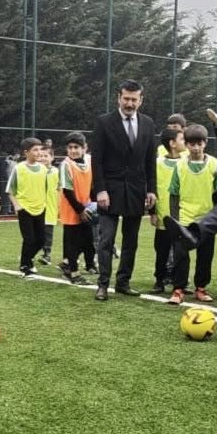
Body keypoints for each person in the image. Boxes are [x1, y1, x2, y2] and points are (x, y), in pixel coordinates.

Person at [90, 79, 157, 301]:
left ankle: (123, 283)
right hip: (109, 191)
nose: (129, 103)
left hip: (136, 191)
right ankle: (102, 284)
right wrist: (100, 190)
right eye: (126, 98)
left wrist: (151, 190)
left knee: (131, 241)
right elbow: (97, 160)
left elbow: (150, 160)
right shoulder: (104, 122)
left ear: (141, 100)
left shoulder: (148, 123)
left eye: (134, 99)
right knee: (106, 240)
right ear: (119, 98)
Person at [166, 124, 217, 304]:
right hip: (184, 219)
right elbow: (173, 194)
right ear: (186, 145)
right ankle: (178, 290)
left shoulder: (215, 164)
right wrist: (175, 221)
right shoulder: (180, 165)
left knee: (205, 256)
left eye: (199, 143)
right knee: (181, 257)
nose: (196, 148)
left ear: (205, 143)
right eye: (191, 144)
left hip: (207, 221)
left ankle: (201, 288)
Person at [149, 125, 186, 294]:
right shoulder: (158, 163)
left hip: (182, 215)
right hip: (163, 215)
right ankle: (159, 280)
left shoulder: (186, 162)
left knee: (181, 251)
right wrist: (152, 212)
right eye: (182, 139)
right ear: (172, 143)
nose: (185, 142)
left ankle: (180, 282)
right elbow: (152, 188)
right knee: (161, 251)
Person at [6, 138, 50, 275]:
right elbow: (10, 190)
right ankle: (25, 266)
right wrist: (17, 205)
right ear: (26, 152)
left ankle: (27, 258)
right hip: (24, 208)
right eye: (35, 150)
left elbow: (45, 188)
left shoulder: (44, 169)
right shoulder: (19, 168)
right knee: (29, 239)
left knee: (41, 240)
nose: (39, 152)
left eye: (40, 149)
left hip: (40, 208)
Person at [55, 132, 94, 283]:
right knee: (72, 241)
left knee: (87, 240)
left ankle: (67, 264)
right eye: (70, 147)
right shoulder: (66, 165)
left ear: (85, 148)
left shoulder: (89, 160)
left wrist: (93, 204)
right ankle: (73, 273)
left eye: (76, 147)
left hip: (86, 207)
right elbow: (67, 191)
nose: (72, 150)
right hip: (72, 208)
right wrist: (80, 210)